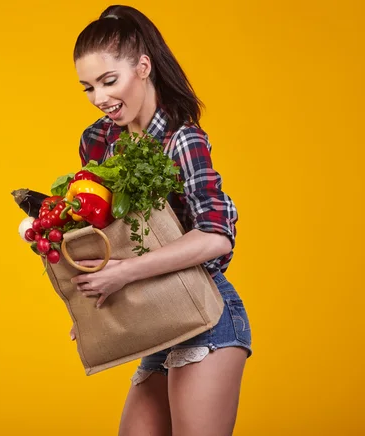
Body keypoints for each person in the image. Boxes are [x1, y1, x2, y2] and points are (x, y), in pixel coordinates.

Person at [68, 5, 253, 436]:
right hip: (156, 316)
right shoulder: (97, 140)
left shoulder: (181, 137)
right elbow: (103, 234)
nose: (99, 98)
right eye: (88, 87)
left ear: (143, 67)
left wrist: (125, 273)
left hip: (205, 314)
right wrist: (89, 309)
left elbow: (216, 236)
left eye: (108, 81)